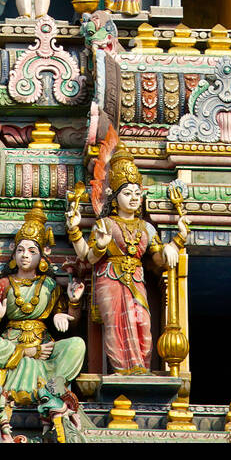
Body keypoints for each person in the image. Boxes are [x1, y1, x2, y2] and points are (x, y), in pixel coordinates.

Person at [65, 145, 186, 375]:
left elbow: (158, 259)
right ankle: (121, 370)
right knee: (117, 326)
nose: (133, 198)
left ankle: (142, 367)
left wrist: (177, 241)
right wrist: (91, 239)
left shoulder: (147, 228)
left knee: (143, 324)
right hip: (109, 278)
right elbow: (87, 256)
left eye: (137, 193)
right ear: (114, 196)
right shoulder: (105, 225)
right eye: (127, 193)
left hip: (137, 279)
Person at [0, 204, 84, 402]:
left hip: (44, 345)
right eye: (21, 250)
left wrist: (71, 305)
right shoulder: (5, 283)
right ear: (14, 252)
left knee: (77, 345)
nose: (25, 255)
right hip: (11, 344)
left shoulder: (50, 285)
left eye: (32, 251)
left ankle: (54, 386)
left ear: (43, 254)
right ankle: (32, 366)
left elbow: (72, 325)